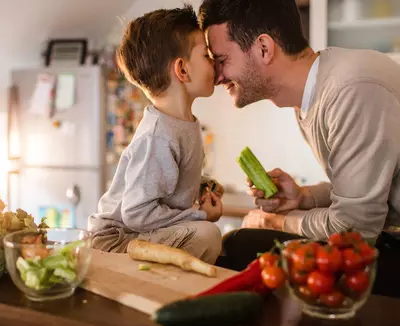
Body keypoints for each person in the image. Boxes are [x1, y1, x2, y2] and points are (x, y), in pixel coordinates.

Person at [198, 0, 400, 294]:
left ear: (264, 49)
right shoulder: (313, 95)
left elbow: (355, 231)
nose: (216, 77)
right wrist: (305, 197)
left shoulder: (350, 90)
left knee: (241, 244)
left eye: (221, 60)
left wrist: (275, 221)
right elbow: (370, 190)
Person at [88, 5, 224, 264]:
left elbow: (167, 182)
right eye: (206, 55)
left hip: (137, 231)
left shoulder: (182, 124)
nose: (215, 62)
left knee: (207, 236)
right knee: (207, 234)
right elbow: (137, 212)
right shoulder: (158, 135)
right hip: (116, 239)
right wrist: (200, 216)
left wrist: (202, 184)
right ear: (182, 70)